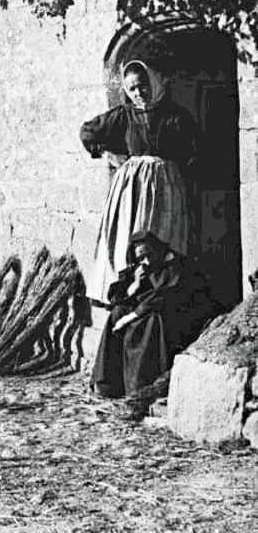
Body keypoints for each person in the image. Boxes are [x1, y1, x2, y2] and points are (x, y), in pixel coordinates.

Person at [80, 60, 198, 305]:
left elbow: (192, 149)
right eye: (132, 88)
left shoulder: (175, 115)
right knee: (130, 236)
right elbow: (89, 132)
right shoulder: (125, 114)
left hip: (166, 186)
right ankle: (126, 292)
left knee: (161, 240)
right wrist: (107, 152)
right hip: (132, 188)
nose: (138, 93)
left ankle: (158, 296)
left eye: (142, 86)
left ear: (153, 82)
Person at [92, 230, 214, 400]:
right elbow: (116, 295)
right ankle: (108, 382)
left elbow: (163, 297)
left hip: (178, 315)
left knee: (149, 321)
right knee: (117, 312)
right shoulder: (141, 268)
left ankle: (140, 387)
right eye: (141, 257)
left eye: (150, 254)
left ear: (158, 249)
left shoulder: (176, 266)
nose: (146, 260)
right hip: (147, 308)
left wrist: (131, 317)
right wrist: (134, 284)